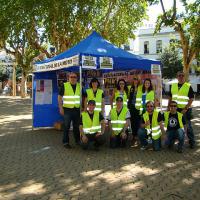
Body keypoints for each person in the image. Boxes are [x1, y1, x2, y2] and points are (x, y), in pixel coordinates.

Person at [168, 71, 195, 148]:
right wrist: (168, 107)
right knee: (173, 126)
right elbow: (170, 97)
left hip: (185, 110)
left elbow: (191, 98)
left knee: (188, 126)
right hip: (174, 110)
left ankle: (192, 142)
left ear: (184, 77)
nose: (181, 77)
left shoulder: (188, 86)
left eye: (182, 75)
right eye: (179, 75)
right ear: (177, 77)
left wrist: (186, 108)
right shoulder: (173, 85)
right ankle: (172, 142)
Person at [58, 72, 81, 149]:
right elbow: (60, 97)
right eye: (71, 77)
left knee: (76, 127)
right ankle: (65, 142)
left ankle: (77, 140)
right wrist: (60, 107)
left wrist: (83, 108)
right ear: (68, 78)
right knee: (66, 126)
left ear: (77, 78)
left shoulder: (79, 86)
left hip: (77, 109)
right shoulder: (64, 85)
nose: (73, 78)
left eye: (74, 77)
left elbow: (84, 96)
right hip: (67, 110)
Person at [128, 76, 142, 143]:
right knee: (132, 122)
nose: (135, 80)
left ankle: (137, 135)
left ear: (139, 80)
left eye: (136, 79)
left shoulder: (141, 87)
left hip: (138, 107)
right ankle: (134, 136)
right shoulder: (130, 87)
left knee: (138, 122)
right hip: (132, 107)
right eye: (134, 79)